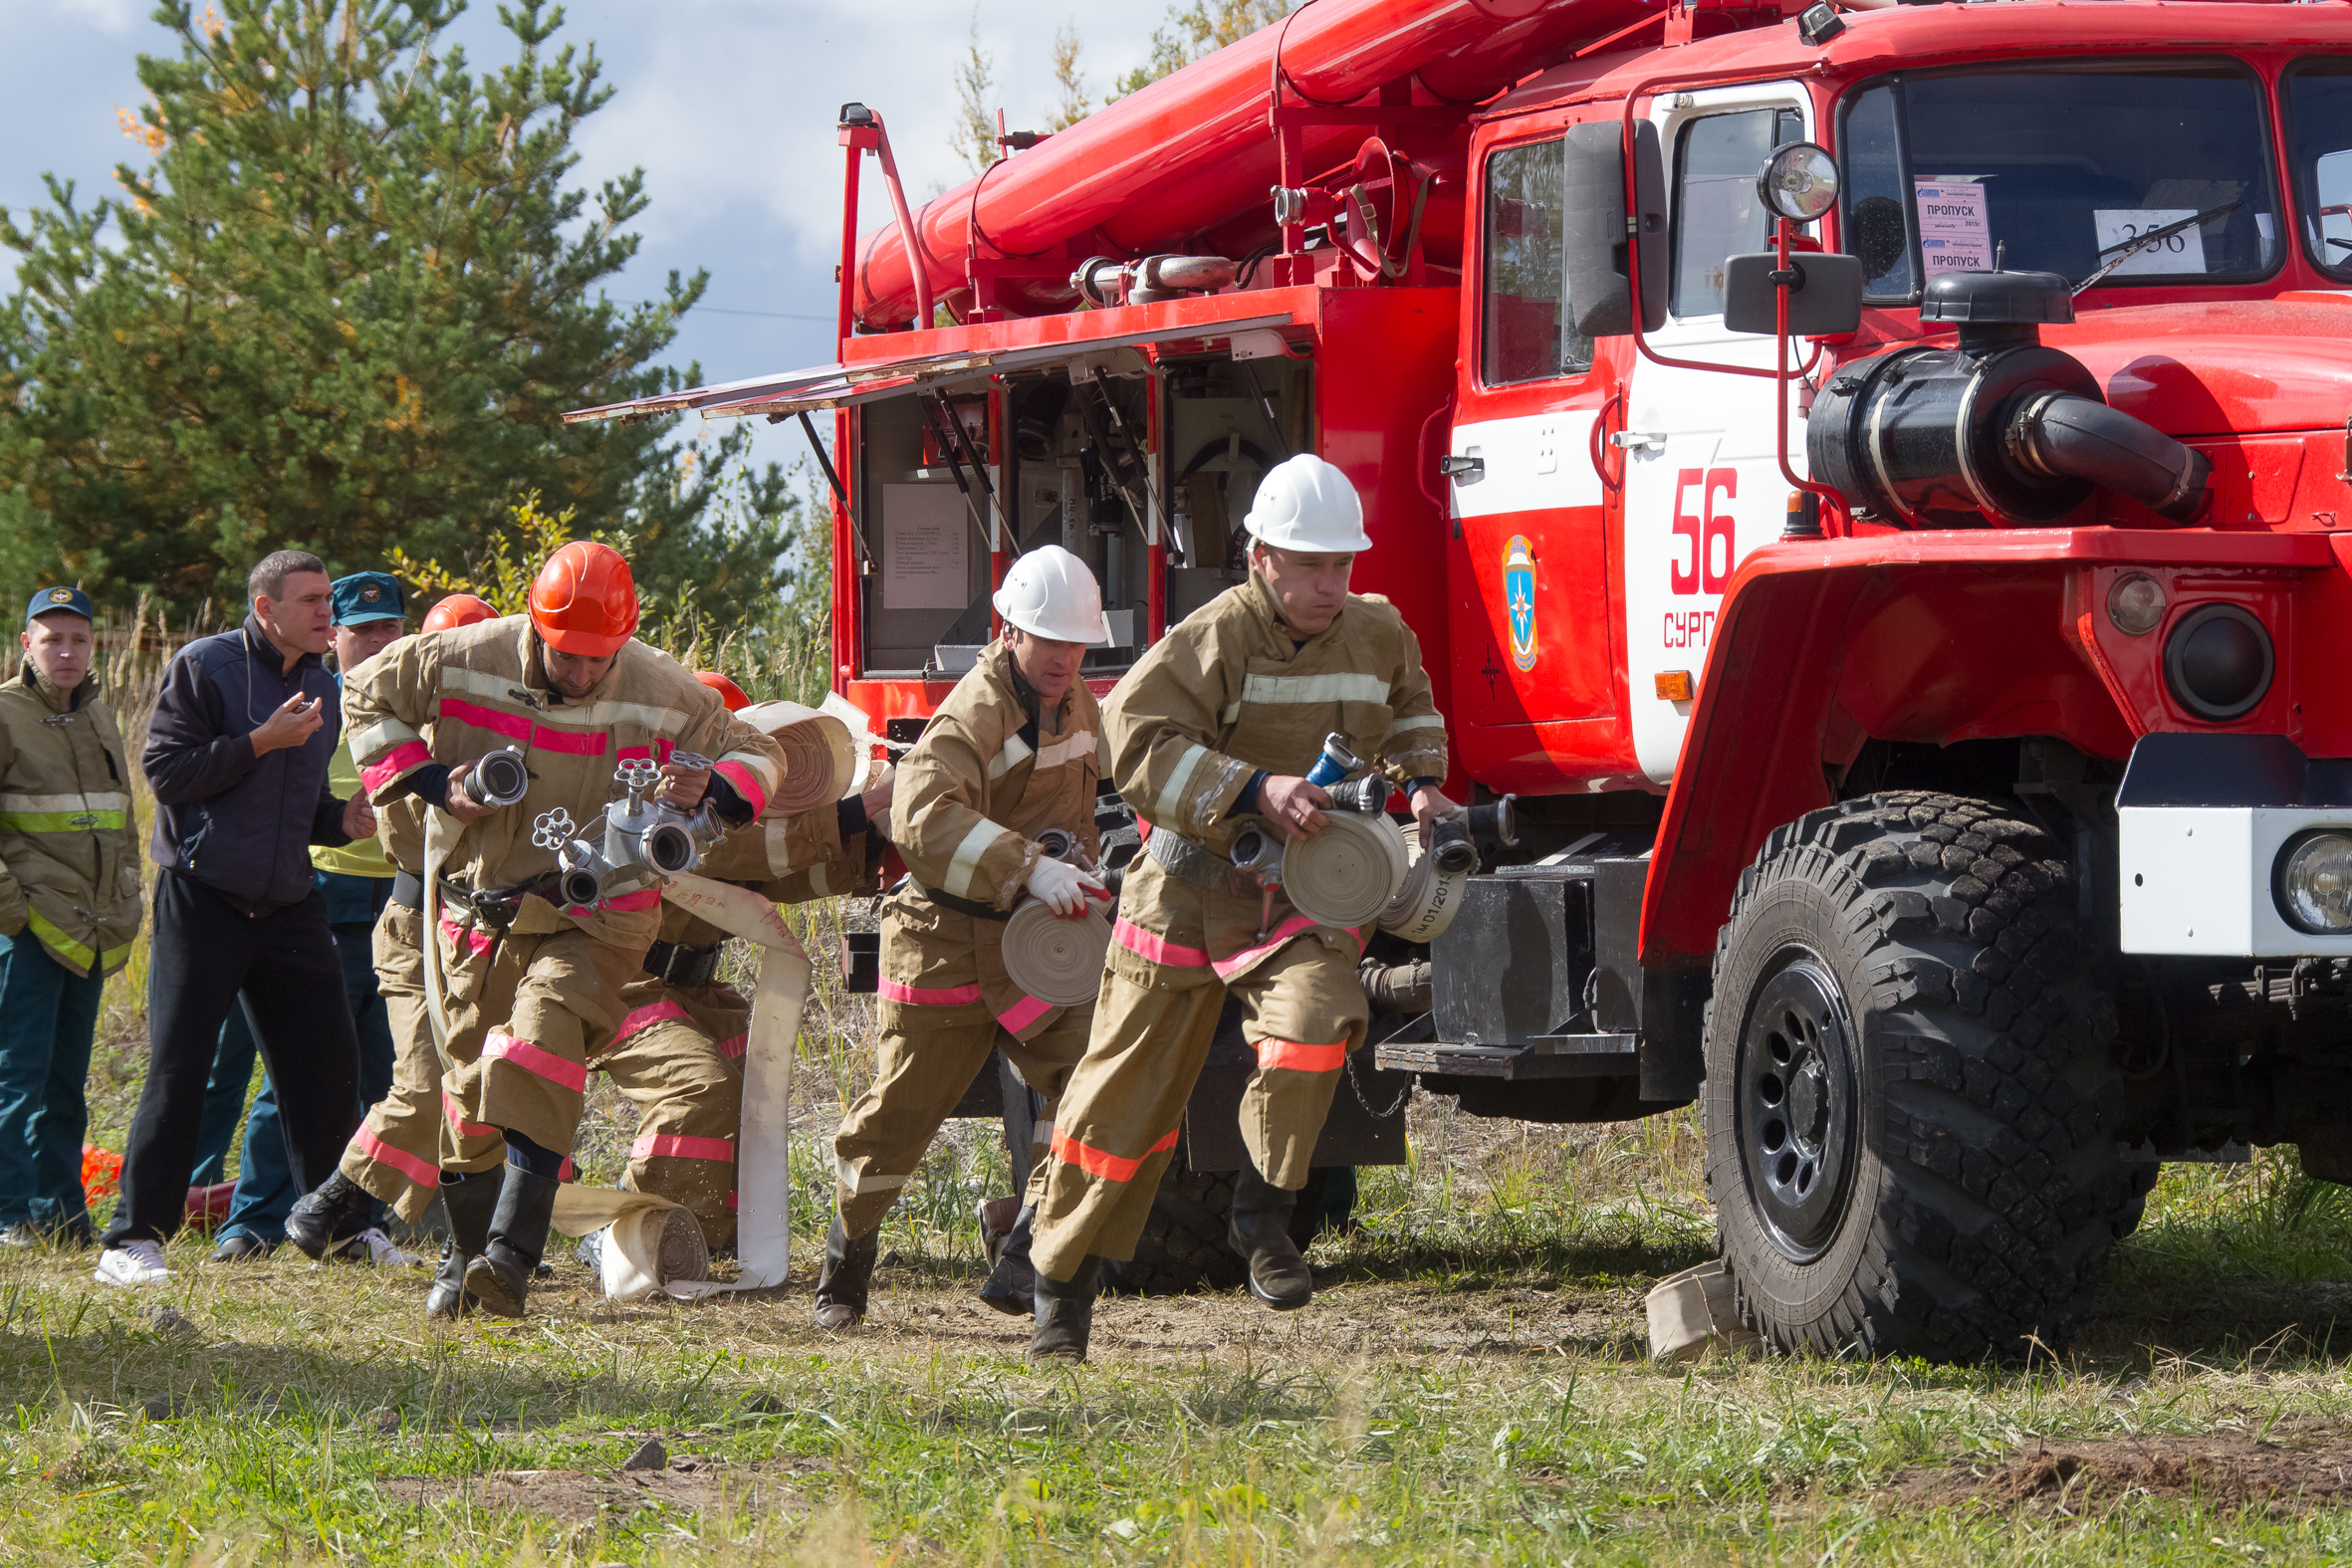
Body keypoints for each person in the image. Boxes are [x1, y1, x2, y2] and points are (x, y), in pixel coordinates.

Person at [1024, 455, 1455, 1361]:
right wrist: (1254, 787)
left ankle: (1263, 1218)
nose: (1331, 584)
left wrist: (1421, 788)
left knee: (1317, 1022)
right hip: (1183, 887)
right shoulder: (1213, 636)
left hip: (1302, 890)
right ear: (1261, 558)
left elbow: (1410, 706)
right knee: (1117, 1101)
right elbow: (1131, 736)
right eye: (1310, 564)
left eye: (1342, 564)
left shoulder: (1378, 633)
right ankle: (1060, 1293)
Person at [284, 542, 786, 1319]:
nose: (581, 674)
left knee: (542, 1036)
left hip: (599, 917)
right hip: (476, 915)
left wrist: (713, 785)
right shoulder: (462, 654)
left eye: (598, 658)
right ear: (535, 622)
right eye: (565, 655)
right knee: (467, 1092)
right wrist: (429, 782)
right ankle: (465, 1254)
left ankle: (512, 1258)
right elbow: (364, 695)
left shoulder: (662, 685)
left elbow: (760, 750)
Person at [814, 545, 1112, 1331]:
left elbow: (1110, 785)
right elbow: (920, 816)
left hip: (1035, 946)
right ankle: (844, 1272)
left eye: (1078, 643)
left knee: (1099, 1079)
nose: (1065, 658)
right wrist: (1027, 867)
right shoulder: (972, 711)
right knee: (895, 1121)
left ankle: (1034, 1257)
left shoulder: (1081, 704)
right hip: (944, 937)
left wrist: (1085, 864)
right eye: (1050, 640)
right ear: (1008, 629)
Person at [95, 552, 375, 1288]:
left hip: (287, 899)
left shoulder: (323, 684)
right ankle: (131, 1241)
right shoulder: (205, 665)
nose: (327, 614)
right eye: (312, 601)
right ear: (264, 608)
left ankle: (340, 1228)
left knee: (327, 1066)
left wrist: (342, 820)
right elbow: (167, 773)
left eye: (328, 601)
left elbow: (290, 809)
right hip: (204, 897)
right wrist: (260, 741)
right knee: (181, 1066)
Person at [207, 571, 414, 1263]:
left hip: (402, 909)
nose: (381, 640)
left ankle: (355, 1220)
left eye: (392, 627)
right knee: (293, 1069)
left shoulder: (417, 704)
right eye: (365, 629)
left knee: (382, 1073)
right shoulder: (313, 701)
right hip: (319, 903)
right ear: (337, 635)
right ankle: (253, 1219)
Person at [0, 587, 141, 1249]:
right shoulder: (4, 712)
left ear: (93, 647)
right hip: (27, 932)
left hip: (89, 931)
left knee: (66, 1083)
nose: (66, 651)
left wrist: (129, 898)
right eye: (51, 638)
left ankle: (62, 1215)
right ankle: (9, 1214)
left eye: (78, 639)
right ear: (26, 642)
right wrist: (12, 914)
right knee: (15, 1078)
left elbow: (123, 818)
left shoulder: (101, 718)